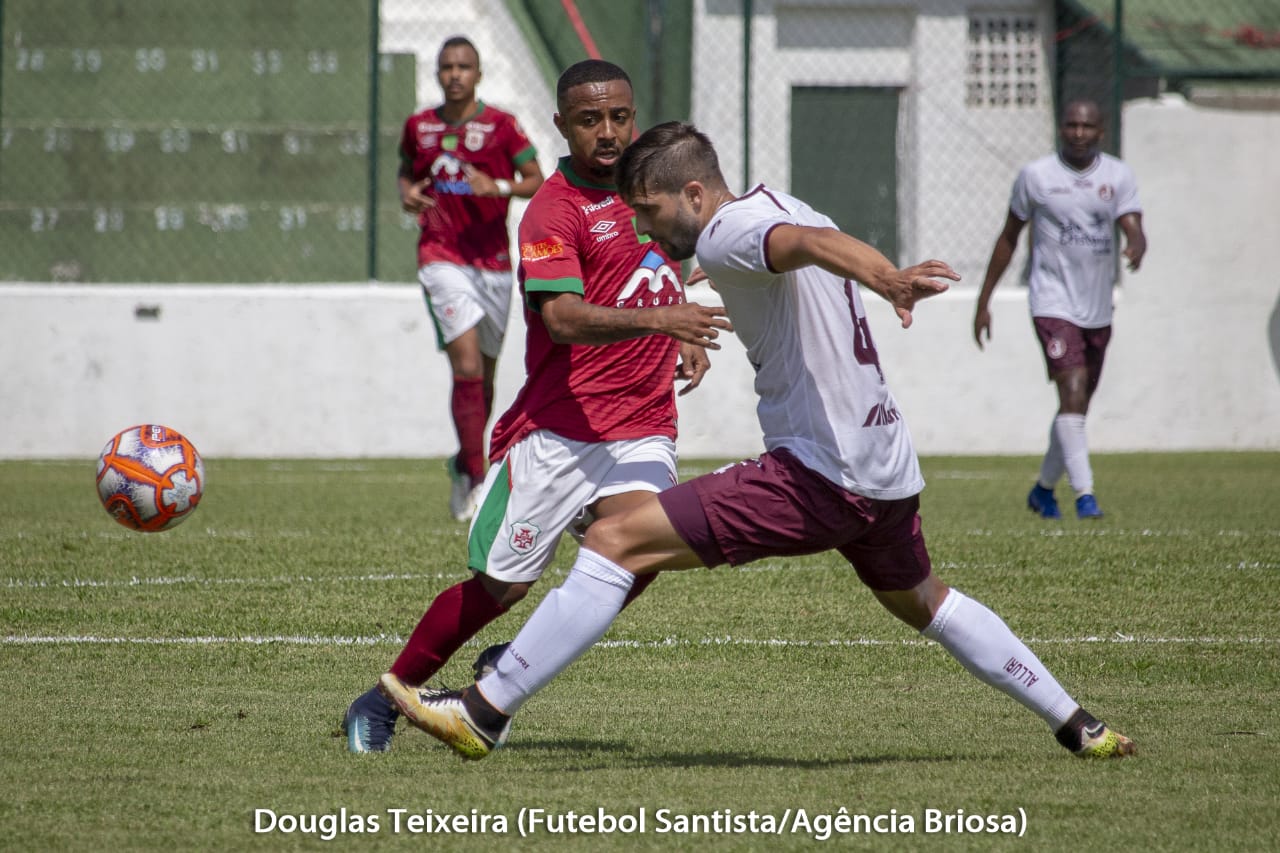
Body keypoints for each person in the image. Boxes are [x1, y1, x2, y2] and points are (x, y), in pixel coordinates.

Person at [378, 122, 1136, 762]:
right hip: (885, 470)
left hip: (818, 474)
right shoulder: (777, 203)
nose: (644, 229)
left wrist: (887, 279)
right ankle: (1079, 724)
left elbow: (802, 244)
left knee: (614, 539)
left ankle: (484, 710)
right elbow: (799, 242)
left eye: (649, 211)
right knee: (928, 603)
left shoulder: (729, 230)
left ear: (694, 195)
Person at [342, 67, 731, 753]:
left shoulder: (656, 188)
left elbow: (673, 259)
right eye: (589, 120)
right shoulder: (554, 210)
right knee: (498, 588)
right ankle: (382, 699)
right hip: (557, 432)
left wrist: (681, 328)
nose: (607, 132)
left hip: (642, 425)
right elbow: (562, 319)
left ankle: (512, 663)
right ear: (561, 125)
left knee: (645, 548)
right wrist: (665, 319)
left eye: (619, 117)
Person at [973, 99, 1146, 521]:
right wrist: (984, 301)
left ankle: (1043, 490)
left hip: (1097, 306)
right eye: (1071, 125)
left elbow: (1133, 225)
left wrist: (1137, 243)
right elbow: (1009, 237)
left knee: (1078, 404)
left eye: (1087, 126)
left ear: (1101, 131)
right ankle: (1086, 496)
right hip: (1051, 301)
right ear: (1060, 128)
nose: (1078, 133)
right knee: (1072, 387)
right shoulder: (1036, 176)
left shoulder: (1117, 176)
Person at [399, 36, 545, 522]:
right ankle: (479, 478)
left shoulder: (501, 126)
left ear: (478, 74)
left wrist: (497, 185)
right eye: (447, 67)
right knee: (465, 367)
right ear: (438, 74)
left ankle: (464, 461)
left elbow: (537, 180)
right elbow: (406, 172)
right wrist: (408, 194)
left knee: (483, 379)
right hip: (441, 257)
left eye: (463, 66)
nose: (455, 74)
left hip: (493, 264)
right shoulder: (419, 126)